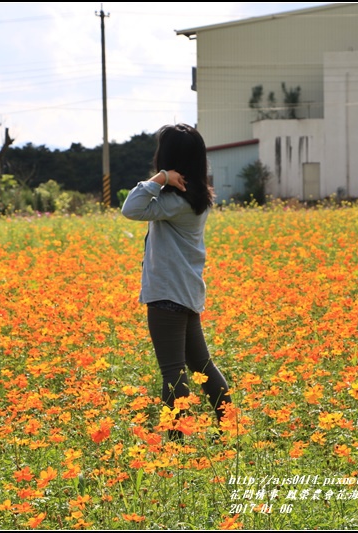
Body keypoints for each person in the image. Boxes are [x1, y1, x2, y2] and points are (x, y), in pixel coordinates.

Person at [121, 124, 232, 440]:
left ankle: (176, 440)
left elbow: (131, 208)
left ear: (168, 159)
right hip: (185, 292)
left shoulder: (174, 202)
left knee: (173, 371)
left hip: (167, 293)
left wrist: (161, 179)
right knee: (202, 366)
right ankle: (227, 427)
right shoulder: (196, 197)